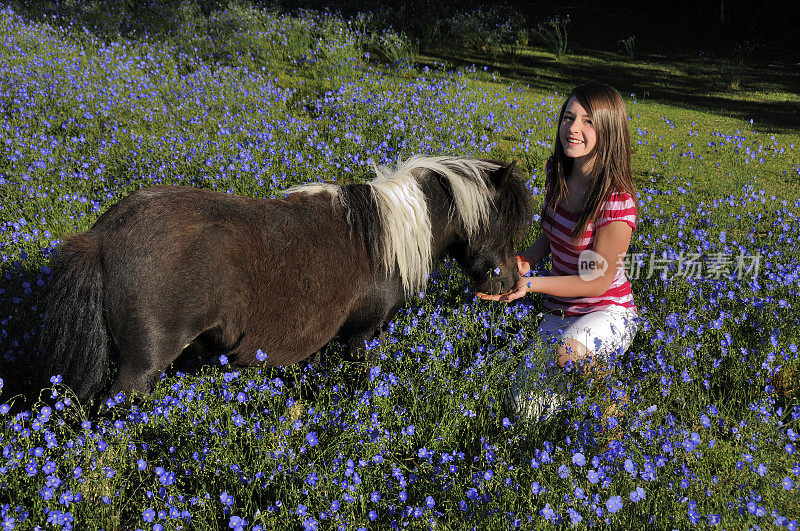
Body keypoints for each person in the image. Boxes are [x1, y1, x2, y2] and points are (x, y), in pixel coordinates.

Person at [479, 81, 639, 423]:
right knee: (527, 413)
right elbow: (552, 235)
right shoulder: (558, 171)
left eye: (588, 122)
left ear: (609, 131)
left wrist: (532, 285)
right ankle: (575, 399)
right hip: (562, 308)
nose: (573, 128)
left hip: (608, 311)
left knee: (568, 352)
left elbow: (595, 283)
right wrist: (527, 260)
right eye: (569, 117)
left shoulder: (616, 201)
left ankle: (615, 410)